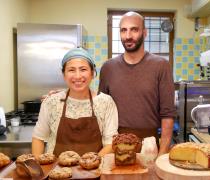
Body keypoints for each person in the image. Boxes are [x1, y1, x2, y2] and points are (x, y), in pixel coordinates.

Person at [98, 11, 176, 156]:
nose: (128, 36)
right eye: (123, 30)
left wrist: (163, 152)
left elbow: (168, 114)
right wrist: (66, 95)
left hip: (149, 146)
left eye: (134, 29)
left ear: (145, 33)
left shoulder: (161, 66)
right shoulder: (108, 68)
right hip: (113, 146)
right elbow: (99, 107)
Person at [32, 48, 118, 157]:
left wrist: (90, 163)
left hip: (94, 170)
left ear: (92, 73)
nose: (77, 76)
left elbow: (110, 143)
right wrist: (38, 170)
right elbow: (38, 137)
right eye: (71, 70)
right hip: (55, 171)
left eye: (83, 69)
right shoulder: (51, 102)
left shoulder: (106, 102)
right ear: (64, 74)